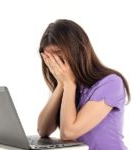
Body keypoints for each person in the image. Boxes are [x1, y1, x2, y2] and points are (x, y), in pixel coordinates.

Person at [37, 19, 130, 150]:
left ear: (78, 50)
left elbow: (68, 133)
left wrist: (68, 83)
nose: (55, 63)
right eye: (49, 59)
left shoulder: (111, 83)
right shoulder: (72, 85)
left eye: (58, 56)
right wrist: (61, 85)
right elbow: (43, 130)